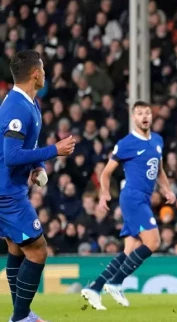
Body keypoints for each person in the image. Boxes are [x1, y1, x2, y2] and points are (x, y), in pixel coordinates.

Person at [1, 50, 76, 322]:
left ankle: (21, 315)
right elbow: (10, 156)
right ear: (35, 74)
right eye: (43, 69)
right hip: (6, 194)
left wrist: (37, 167)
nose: (45, 73)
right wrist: (53, 150)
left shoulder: (30, 103)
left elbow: (25, 148)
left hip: (11, 189)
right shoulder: (16, 107)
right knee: (39, 249)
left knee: (16, 248)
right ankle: (21, 317)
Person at [80, 101, 176, 310]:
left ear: (152, 116)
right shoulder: (126, 143)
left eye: (148, 113)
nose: (145, 116)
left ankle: (94, 288)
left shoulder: (157, 140)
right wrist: (104, 193)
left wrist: (167, 190)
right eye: (140, 113)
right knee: (153, 242)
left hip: (144, 199)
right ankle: (115, 283)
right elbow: (106, 172)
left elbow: (158, 170)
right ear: (134, 118)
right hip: (132, 198)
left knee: (129, 249)